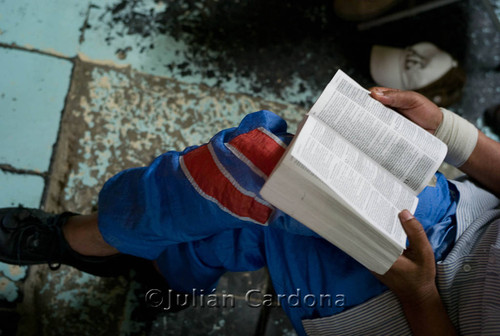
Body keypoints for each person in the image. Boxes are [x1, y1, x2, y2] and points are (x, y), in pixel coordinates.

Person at [1, 88, 499, 335]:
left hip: (406, 311)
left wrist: (420, 295)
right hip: (457, 215)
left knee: (255, 174)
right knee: (260, 198)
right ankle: (159, 269)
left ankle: (87, 239)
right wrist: (445, 127)